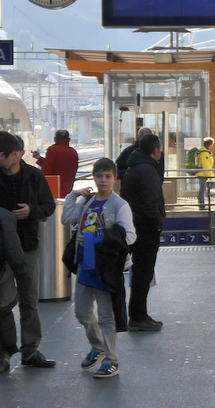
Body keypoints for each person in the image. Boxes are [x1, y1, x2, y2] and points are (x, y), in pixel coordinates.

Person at [62, 158, 136, 378]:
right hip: (86, 265)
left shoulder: (119, 205)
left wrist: (99, 237)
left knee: (106, 316)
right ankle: (98, 347)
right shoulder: (87, 202)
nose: (103, 180)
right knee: (82, 312)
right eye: (99, 176)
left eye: (107, 176)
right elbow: (66, 218)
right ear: (93, 177)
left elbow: (130, 236)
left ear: (114, 178)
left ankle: (112, 360)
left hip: (106, 268)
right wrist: (73, 195)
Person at [0, 131, 56, 366]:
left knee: (28, 300)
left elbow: (49, 206)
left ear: (18, 154)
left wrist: (31, 212)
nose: (1, 158)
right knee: (2, 302)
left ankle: (30, 349)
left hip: (28, 246)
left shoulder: (34, 176)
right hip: (1, 250)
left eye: (4, 154)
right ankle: (3, 352)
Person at [120, 133, 166, 332]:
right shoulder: (147, 170)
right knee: (143, 273)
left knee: (140, 272)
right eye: (160, 148)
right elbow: (150, 201)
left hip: (136, 225)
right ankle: (138, 317)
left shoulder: (136, 166)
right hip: (145, 229)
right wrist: (157, 224)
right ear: (155, 150)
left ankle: (140, 314)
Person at [0, 207, 23, 374]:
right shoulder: (5, 216)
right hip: (4, 271)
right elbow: (14, 251)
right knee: (4, 310)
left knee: (4, 310)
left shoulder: (4, 216)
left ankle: (5, 353)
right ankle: (5, 353)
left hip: (2, 272)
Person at [32, 129, 80, 196]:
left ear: (55, 139)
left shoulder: (52, 150)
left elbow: (47, 169)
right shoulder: (73, 152)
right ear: (69, 139)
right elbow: (62, 165)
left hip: (54, 189)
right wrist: (39, 158)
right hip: (68, 187)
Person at [195, 137, 215, 209]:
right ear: (209, 144)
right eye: (212, 144)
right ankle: (201, 205)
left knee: (203, 189)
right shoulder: (204, 153)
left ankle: (202, 204)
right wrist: (211, 177)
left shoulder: (205, 152)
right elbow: (206, 166)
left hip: (203, 174)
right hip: (203, 174)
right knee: (202, 189)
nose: (213, 145)